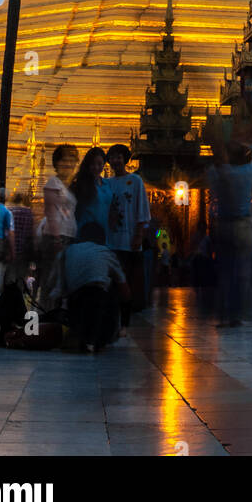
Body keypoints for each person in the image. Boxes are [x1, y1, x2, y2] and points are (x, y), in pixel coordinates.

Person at [207, 140, 252, 327]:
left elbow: (210, 171)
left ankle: (225, 314)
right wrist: (251, 146)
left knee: (225, 273)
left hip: (224, 226)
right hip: (243, 226)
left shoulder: (218, 173)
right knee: (242, 272)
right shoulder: (247, 172)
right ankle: (240, 314)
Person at [48, 222, 130, 353]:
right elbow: (125, 292)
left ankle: (78, 333)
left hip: (75, 302)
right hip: (98, 300)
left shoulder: (67, 251)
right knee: (112, 285)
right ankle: (99, 337)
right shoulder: (106, 252)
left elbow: (57, 290)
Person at [104, 144, 151, 330]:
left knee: (126, 282)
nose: (115, 161)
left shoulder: (135, 181)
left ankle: (125, 322)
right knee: (111, 282)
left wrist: (139, 235)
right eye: (112, 157)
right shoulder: (106, 183)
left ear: (125, 159)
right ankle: (112, 320)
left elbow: (142, 211)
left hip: (129, 241)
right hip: (110, 241)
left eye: (118, 157)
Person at [38, 144, 79, 299]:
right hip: (56, 237)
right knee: (51, 278)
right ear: (56, 163)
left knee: (62, 280)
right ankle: (45, 314)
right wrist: (56, 238)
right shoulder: (53, 183)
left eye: (72, 160)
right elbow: (51, 212)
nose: (68, 164)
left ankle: (55, 316)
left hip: (68, 236)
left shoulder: (68, 186)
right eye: (64, 160)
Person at [70, 147, 112, 235]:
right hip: (85, 234)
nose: (96, 167)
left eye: (100, 164)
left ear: (104, 164)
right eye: (93, 164)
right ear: (88, 165)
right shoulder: (79, 185)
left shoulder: (107, 184)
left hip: (105, 234)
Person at [8, 193, 34, 289]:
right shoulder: (29, 212)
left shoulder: (9, 211)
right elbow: (31, 232)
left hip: (11, 248)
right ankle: (19, 297)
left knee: (10, 274)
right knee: (21, 275)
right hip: (24, 249)